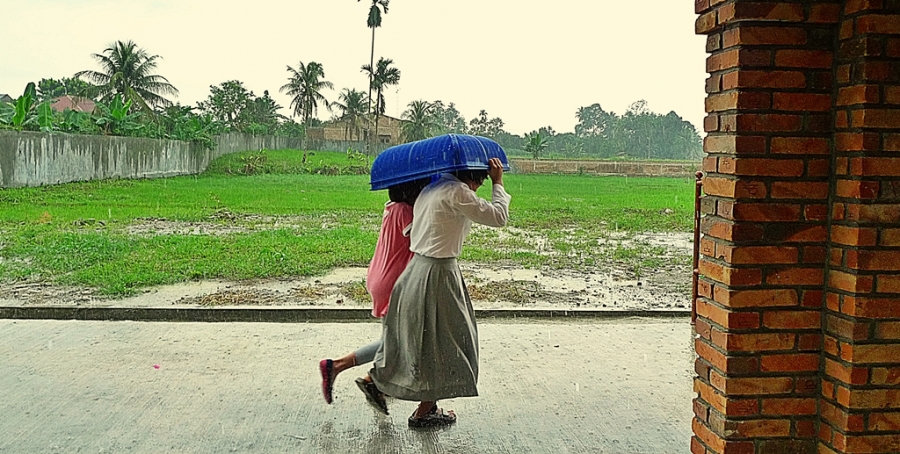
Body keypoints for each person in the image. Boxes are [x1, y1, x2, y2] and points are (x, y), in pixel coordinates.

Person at [368, 157, 510, 428]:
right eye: (480, 177)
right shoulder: (456, 191)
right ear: (470, 175)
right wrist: (498, 183)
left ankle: (407, 397)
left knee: (430, 339)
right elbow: (499, 217)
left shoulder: (432, 188)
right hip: (439, 272)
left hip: (419, 269)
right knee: (448, 341)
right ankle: (412, 403)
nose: (480, 183)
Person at [319, 178, 430, 414]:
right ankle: (351, 372)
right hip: (394, 282)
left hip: (381, 275)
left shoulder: (391, 207)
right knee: (402, 342)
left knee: (395, 340)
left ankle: (370, 381)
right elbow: (422, 241)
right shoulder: (405, 211)